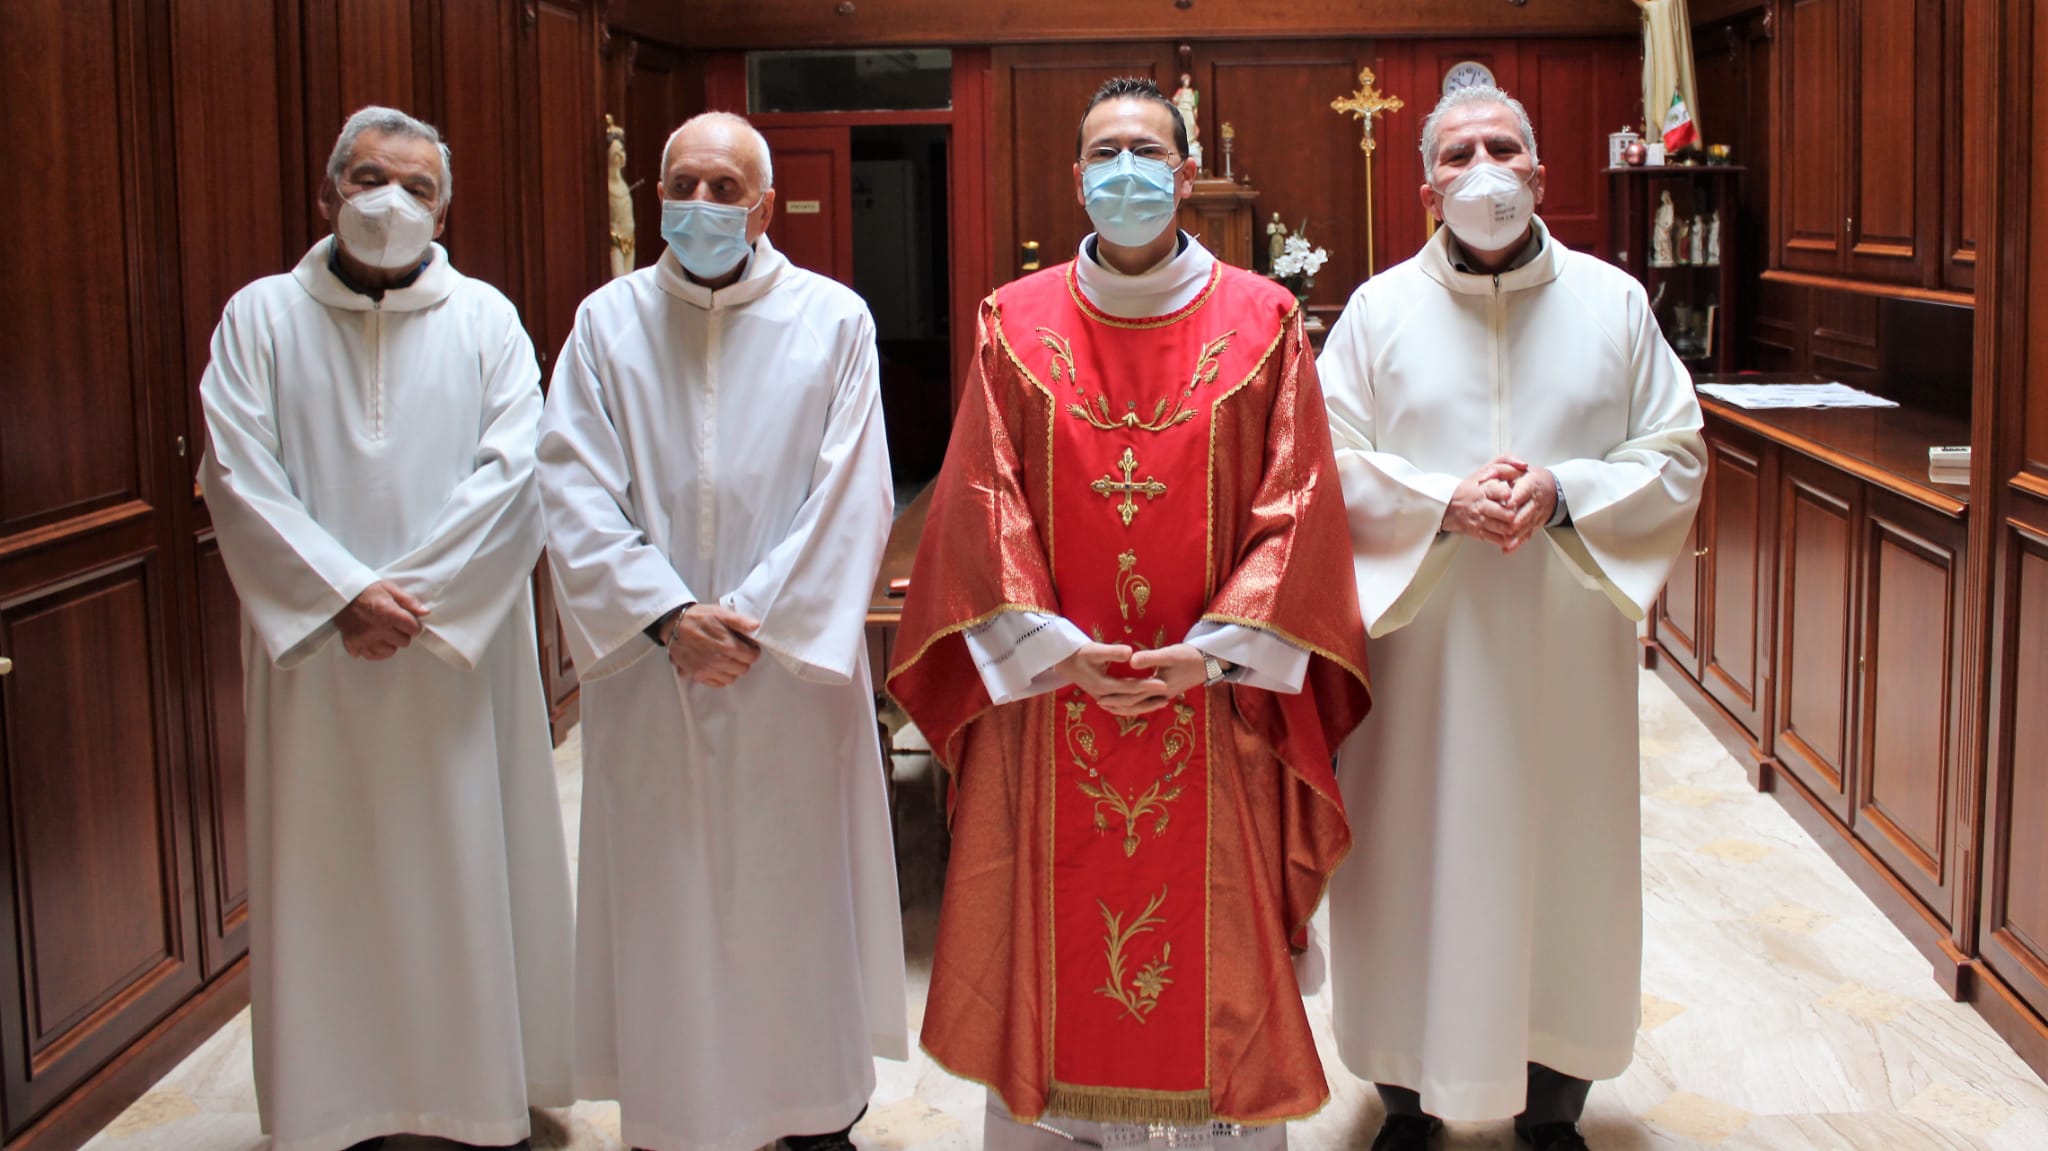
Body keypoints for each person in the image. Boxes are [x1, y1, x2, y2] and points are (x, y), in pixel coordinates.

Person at [887, 76, 1371, 1151]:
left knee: (1217, 962)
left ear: (1184, 175)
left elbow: (1300, 509)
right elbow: (980, 504)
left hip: (1216, 704)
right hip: (1051, 701)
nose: (1125, 172)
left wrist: (1212, 656)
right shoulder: (1015, 322)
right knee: (1054, 947)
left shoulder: (1263, 321)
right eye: (1103, 153)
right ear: (1075, 179)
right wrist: (1057, 653)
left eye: (1145, 153)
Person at [1316, 85, 1706, 1151]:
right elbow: (1321, 463)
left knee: (1561, 865)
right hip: (1419, 660)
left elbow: (1675, 452)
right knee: (1408, 862)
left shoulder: (1612, 304)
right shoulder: (1375, 313)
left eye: (1502, 146)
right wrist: (1435, 500)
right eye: (1457, 152)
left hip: (1560, 659)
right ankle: (1405, 1095)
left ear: (1539, 172)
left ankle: (1552, 1101)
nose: (1481, 166)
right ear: (1425, 186)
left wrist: (1567, 490)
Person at [198, 105, 573, 1151]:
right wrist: (338, 597)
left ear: (443, 212)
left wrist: (407, 601)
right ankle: (333, 1105)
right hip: (316, 664)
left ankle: (474, 1102)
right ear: (326, 195)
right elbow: (236, 471)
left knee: (461, 864)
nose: (389, 202)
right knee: (326, 878)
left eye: (416, 187)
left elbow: (517, 472)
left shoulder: (487, 320)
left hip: (453, 662)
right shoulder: (260, 319)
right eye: (368, 178)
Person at [536, 111, 906, 1151]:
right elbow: (570, 485)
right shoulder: (605, 324)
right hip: (653, 673)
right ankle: (677, 1113)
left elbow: (853, 490)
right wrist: (666, 616)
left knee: (795, 893)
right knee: (667, 898)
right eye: (681, 186)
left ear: (764, 206)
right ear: (656, 197)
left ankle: (813, 1111)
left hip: (785, 673)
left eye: (723, 188)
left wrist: (749, 620)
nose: (699, 205)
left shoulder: (832, 320)